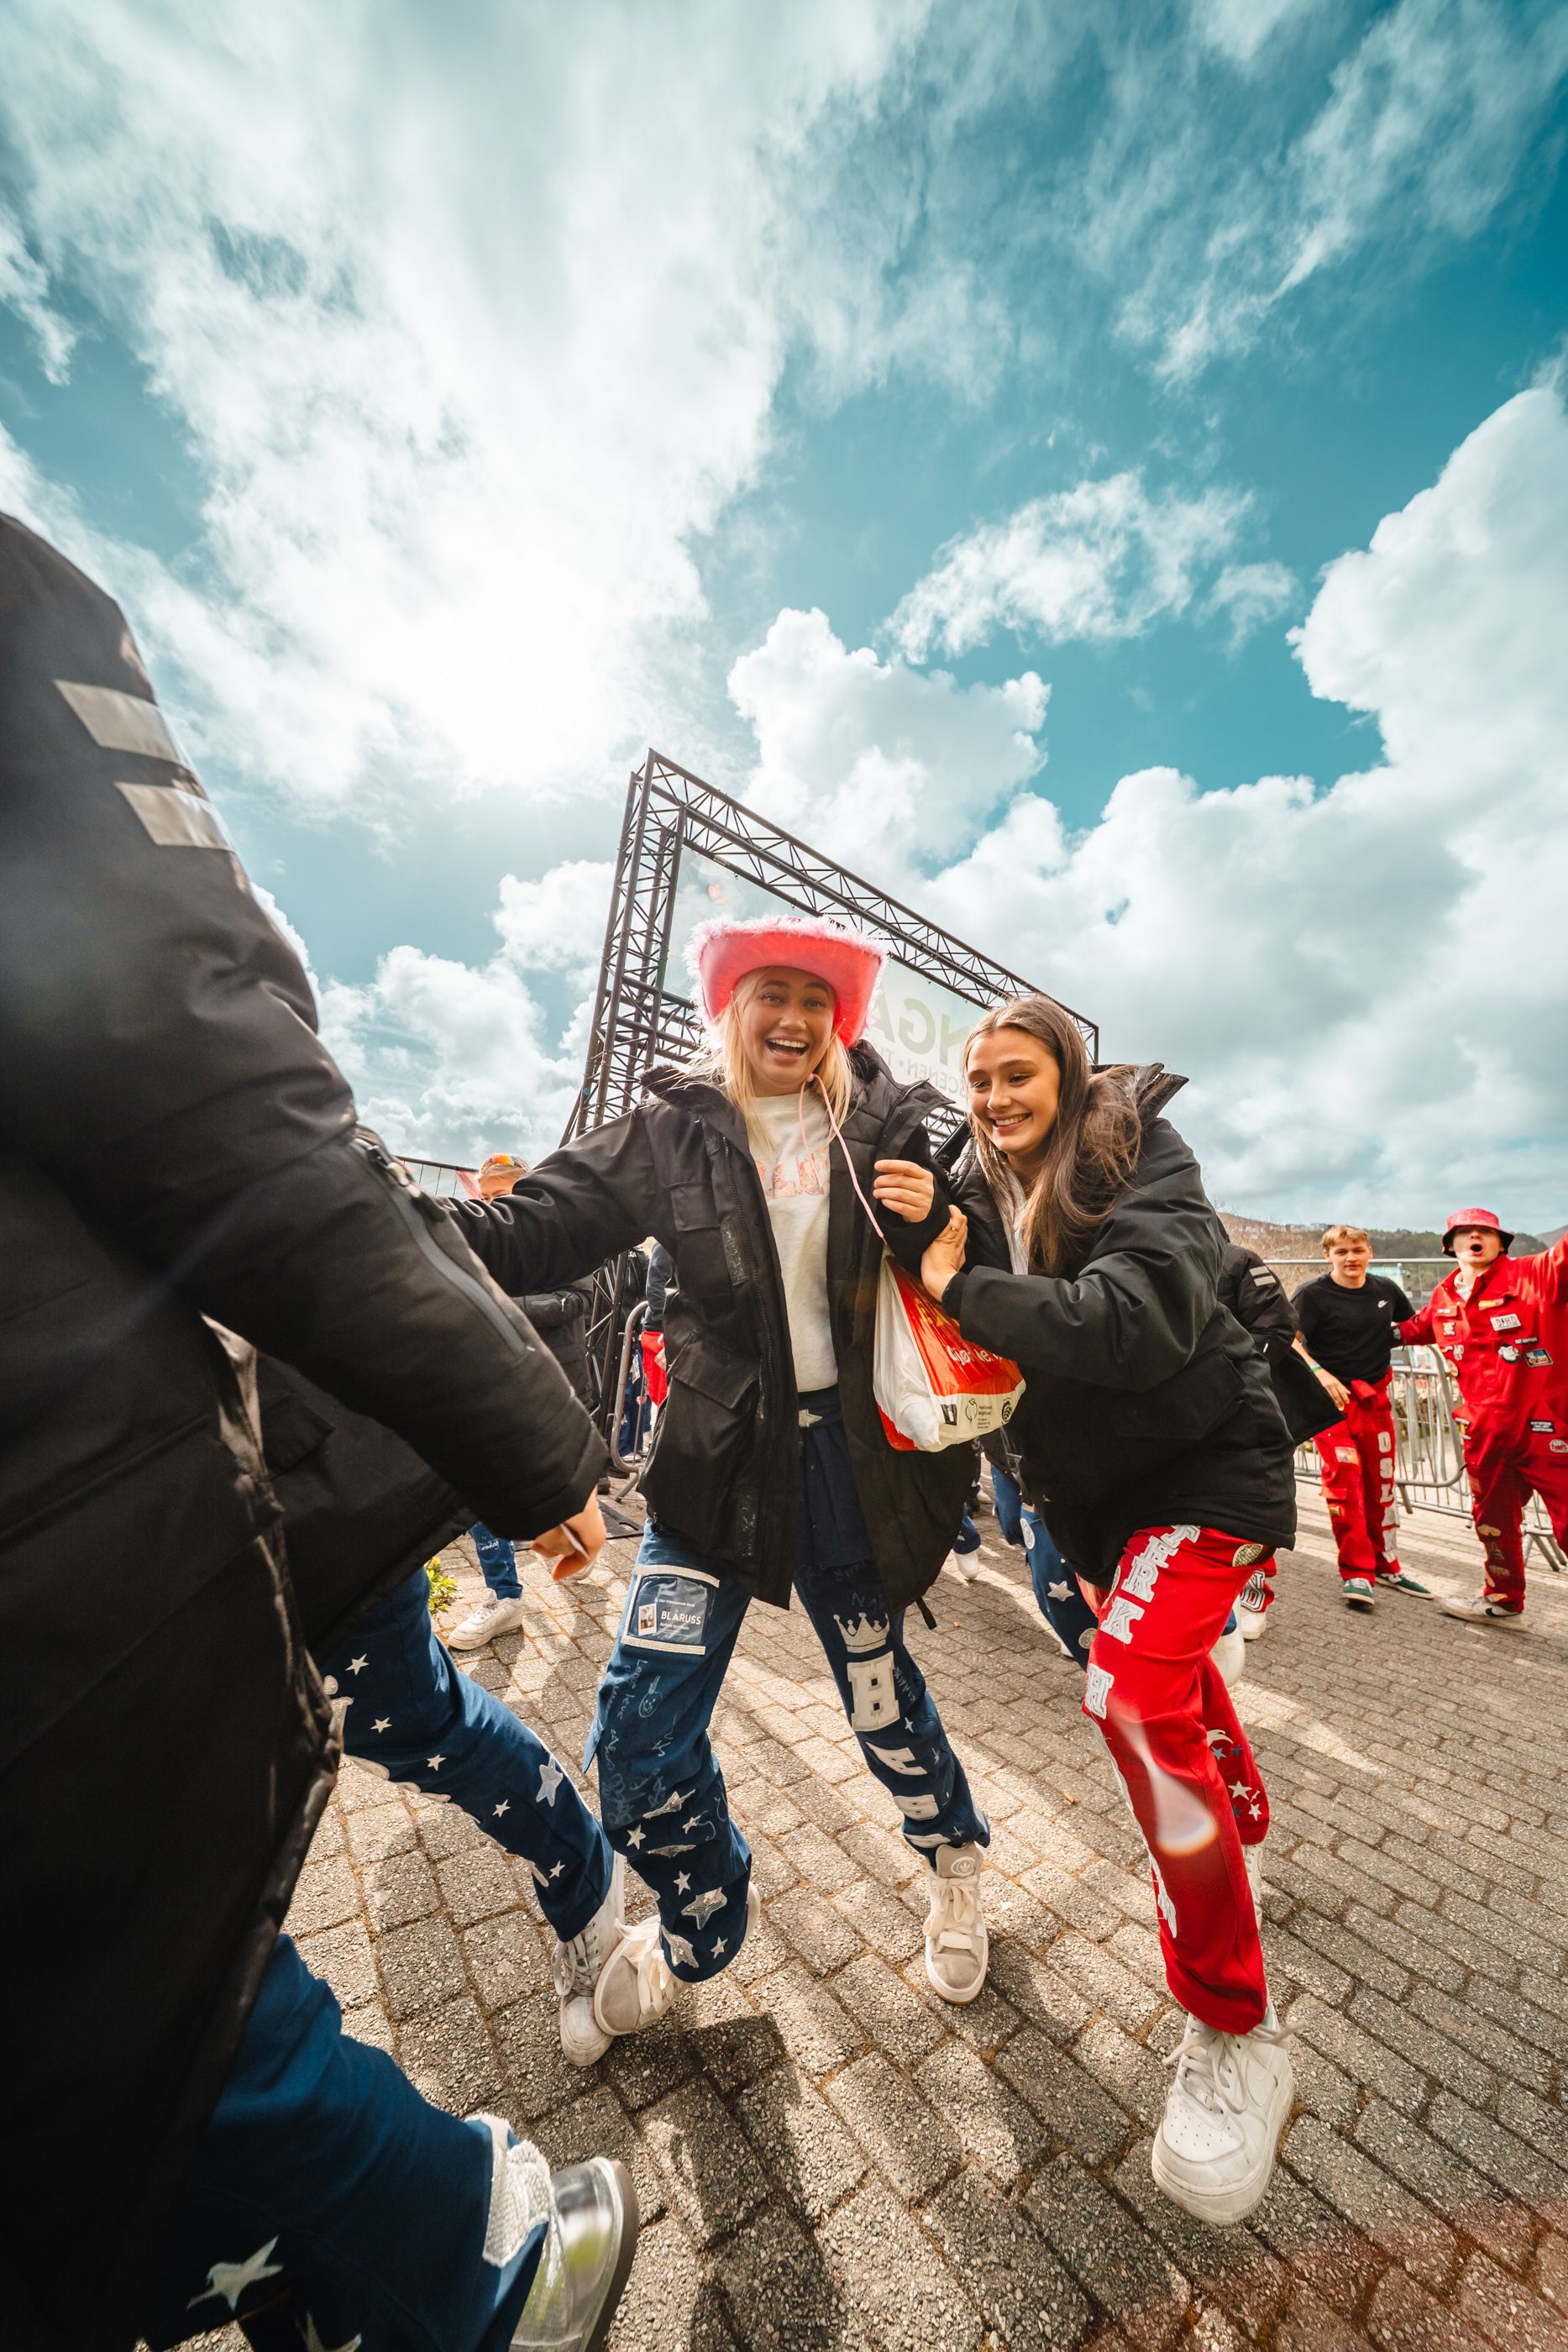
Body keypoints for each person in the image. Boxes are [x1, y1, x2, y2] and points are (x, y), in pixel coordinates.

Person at [0, 512, 636, 2352]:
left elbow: (225, 1085)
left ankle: (469, 2193)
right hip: (188, 1507)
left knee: (378, 1740)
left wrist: (538, 1445)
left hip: (175, 1504)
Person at [451, 914, 994, 2011]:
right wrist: (381, 1219)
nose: (791, 1018)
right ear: (729, 1011)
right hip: (711, 1473)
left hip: (855, 1475)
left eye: (812, 1000)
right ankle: (704, 1902)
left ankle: (954, 1865)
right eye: (767, 995)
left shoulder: (892, 1118)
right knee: (634, 1737)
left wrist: (940, 1210)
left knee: (883, 1704)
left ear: (837, 1020)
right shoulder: (670, 1132)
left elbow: (986, 1222)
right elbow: (531, 1229)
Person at [937, 995, 1297, 2224]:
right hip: (1092, 1510)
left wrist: (956, 1282)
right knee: (1159, 1681)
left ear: (1066, 1070)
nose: (991, 1097)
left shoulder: (1135, 1147)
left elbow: (1133, 1326)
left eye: (1014, 1072)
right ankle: (1236, 1818)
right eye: (975, 1077)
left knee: (1131, 1697)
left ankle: (1230, 2026)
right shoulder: (965, 1182)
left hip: (1203, 1474)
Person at [262, 1351, 675, 2067]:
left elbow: (377, 1272)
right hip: (108, 1551)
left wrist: (530, 1458)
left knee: (424, 1728)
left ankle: (585, 1883)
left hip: (300, 1500)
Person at [454, 1150, 598, 1649]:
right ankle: (505, 1597)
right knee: (477, 1481)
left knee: (566, 1483)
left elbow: (579, 1299)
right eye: (487, 1197)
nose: (495, 1206)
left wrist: (504, 1308)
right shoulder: (476, 1239)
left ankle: (578, 1540)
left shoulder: (561, 1234)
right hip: (494, 1381)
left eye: (506, 1194)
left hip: (554, 1381)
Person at [1399, 1208, 1568, 1625]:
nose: (1476, 1237)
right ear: (1450, 1245)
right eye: (1465, 1232)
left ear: (1501, 1242)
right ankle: (1503, 1598)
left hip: (1549, 1429)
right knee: (1492, 1522)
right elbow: (1403, 1331)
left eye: (1485, 1232)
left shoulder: (1537, 1274)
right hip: (1484, 1433)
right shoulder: (1443, 1298)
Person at [1291, 1226, 1428, 1611]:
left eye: (1357, 1250)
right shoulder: (1312, 1294)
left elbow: (1411, 1327)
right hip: (1329, 1404)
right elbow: (1290, 1338)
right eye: (1342, 1252)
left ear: (1369, 1252)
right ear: (1328, 1256)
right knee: (1346, 1480)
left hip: (1375, 1401)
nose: (1351, 1258)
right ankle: (1356, 1571)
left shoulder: (1385, 1290)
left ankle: (1387, 1565)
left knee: (1380, 1484)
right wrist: (1322, 1375)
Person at [1216, 1241, 1345, 1635]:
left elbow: (1277, 1324)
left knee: (1256, 1507)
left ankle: (1253, 1592)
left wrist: (1223, 1378)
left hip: (1249, 1409)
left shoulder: (1237, 1260)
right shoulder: (1152, 1253)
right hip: (1183, 1415)